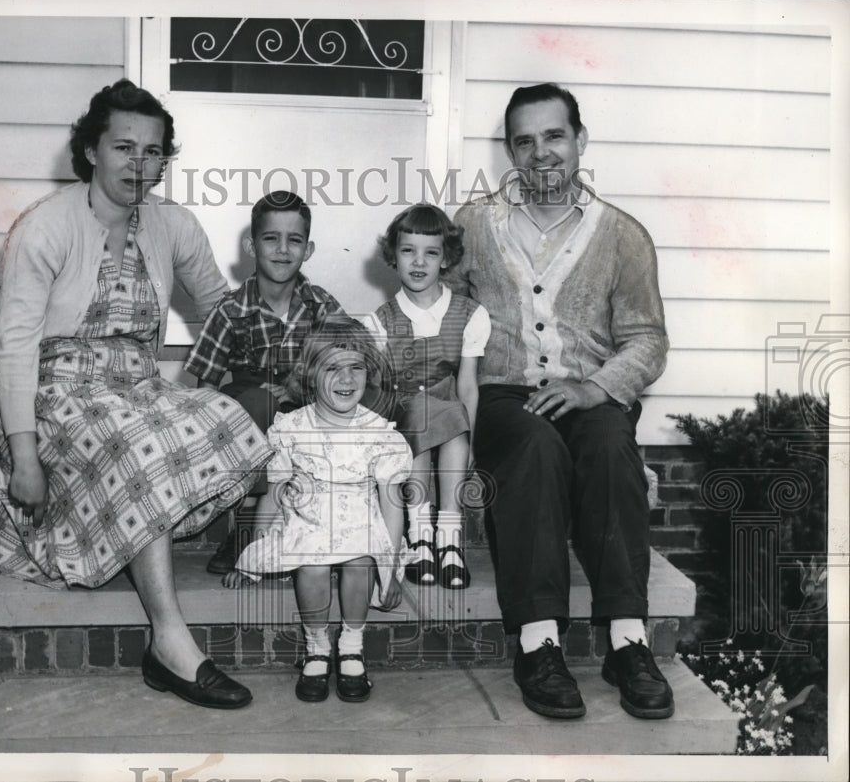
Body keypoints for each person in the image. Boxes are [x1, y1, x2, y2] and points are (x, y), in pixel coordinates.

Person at [0, 79, 273, 710]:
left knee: (230, 412)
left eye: (153, 151)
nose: (140, 164)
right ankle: (169, 640)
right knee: (137, 444)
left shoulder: (172, 224)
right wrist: (24, 459)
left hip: (132, 383)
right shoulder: (44, 227)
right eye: (124, 148)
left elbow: (220, 307)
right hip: (46, 385)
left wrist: (292, 342)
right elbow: (15, 350)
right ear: (91, 152)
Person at [447, 83, 673, 720]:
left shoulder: (623, 235)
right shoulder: (474, 225)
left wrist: (593, 388)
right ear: (510, 152)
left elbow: (647, 338)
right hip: (503, 394)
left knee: (607, 444)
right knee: (534, 445)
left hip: (589, 391)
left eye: (554, 136)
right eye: (526, 140)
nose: (541, 152)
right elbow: (443, 311)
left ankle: (627, 640)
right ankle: (537, 642)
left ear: (579, 141)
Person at [228, 318, 412, 703]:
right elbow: (274, 493)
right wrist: (253, 555)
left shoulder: (380, 434)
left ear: (369, 373)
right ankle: (316, 647)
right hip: (308, 520)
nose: (346, 379)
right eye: (332, 367)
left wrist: (391, 566)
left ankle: (351, 644)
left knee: (360, 559)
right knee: (311, 562)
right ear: (310, 375)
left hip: (361, 520)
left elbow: (392, 505)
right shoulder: (291, 428)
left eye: (356, 367)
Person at [182, 191, 346, 576]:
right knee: (257, 404)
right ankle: (246, 528)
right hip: (251, 404)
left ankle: (311, 527)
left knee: (317, 414)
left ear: (309, 249)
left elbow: (346, 364)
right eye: (271, 238)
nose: (283, 249)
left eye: (295, 240)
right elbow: (205, 386)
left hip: (306, 397)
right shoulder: (231, 309)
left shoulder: (321, 306)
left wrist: (297, 388)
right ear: (250, 245)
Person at [367, 204, 489, 589]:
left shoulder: (469, 313)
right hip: (403, 418)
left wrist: (473, 442)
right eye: (408, 251)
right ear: (393, 255)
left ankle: (448, 539)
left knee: (452, 415)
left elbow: (468, 384)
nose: (418, 262)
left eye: (431, 252)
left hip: (451, 415)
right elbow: (381, 390)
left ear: (446, 258)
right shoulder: (381, 320)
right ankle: (419, 535)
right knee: (417, 412)